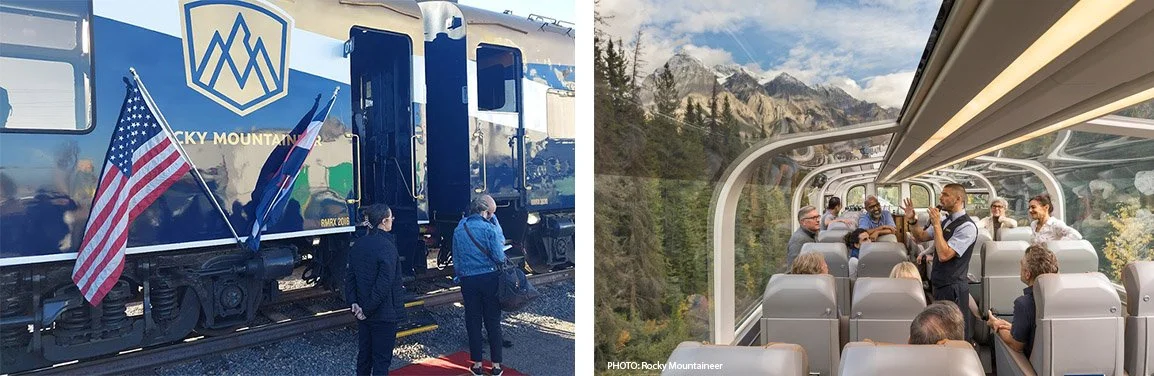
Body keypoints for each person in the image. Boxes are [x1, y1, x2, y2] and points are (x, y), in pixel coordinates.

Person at [902, 183, 978, 342]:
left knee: (953, 333)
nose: (940, 198)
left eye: (945, 195)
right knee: (941, 330)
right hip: (940, 284)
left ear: (958, 199)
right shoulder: (945, 221)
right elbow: (920, 237)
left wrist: (936, 224)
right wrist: (912, 220)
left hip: (953, 287)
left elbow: (944, 255)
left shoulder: (967, 226)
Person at [345, 204, 406, 376]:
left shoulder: (358, 244)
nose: (392, 221)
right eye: (391, 218)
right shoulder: (387, 247)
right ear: (384, 221)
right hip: (383, 315)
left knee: (364, 357)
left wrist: (354, 304)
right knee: (381, 361)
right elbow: (384, 285)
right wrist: (366, 309)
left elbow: (350, 278)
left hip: (362, 314)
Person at [453, 194, 508, 376]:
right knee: (493, 322)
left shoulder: (459, 229)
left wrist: (461, 276)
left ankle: (476, 364)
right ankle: (496, 366)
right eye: (490, 213)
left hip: (468, 281)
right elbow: (500, 257)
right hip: (489, 279)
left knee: (473, 321)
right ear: (484, 211)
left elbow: (457, 260)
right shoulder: (489, 229)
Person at [986, 244, 1058, 358]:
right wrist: (1011, 327)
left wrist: (996, 325)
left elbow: (1016, 345)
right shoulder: (1062, 298)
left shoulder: (1024, 304)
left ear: (1027, 274)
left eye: (1021, 265)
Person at [785, 206, 820, 271]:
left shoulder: (813, 234)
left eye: (818, 217)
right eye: (813, 218)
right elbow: (792, 269)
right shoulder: (798, 240)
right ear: (803, 222)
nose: (818, 220)